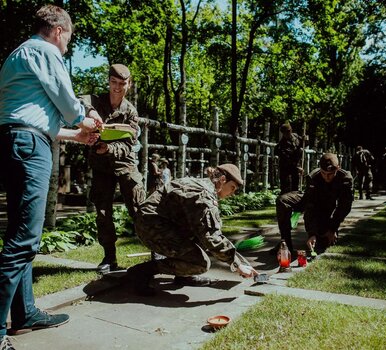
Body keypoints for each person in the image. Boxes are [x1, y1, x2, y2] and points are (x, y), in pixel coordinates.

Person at [0, 5, 102, 349]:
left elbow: (36, 118)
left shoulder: (18, 55)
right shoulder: (44, 50)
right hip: (30, 147)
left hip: (17, 140)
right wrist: (87, 118)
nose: (67, 47)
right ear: (59, 30)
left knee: (19, 233)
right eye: (69, 40)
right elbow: (67, 103)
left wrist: (77, 136)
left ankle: (25, 312)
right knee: (23, 241)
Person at [127, 164, 258, 296]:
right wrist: (237, 265)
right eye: (233, 188)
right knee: (200, 263)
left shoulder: (203, 186)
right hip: (151, 227)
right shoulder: (204, 195)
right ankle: (141, 271)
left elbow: (205, 229)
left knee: (202, 237)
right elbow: (211, 237)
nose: (232, 194)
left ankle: (184, 276)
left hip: (158, 223)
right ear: (223, 180)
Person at [79, 64, 146, 274]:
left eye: (122, 84)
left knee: (140, 208)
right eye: (114, 82)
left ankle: (157, 251)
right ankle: (109, 257)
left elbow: (129, 144)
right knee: (103, 213)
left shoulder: (131, 112)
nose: (117, 87)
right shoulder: (96, 101)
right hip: (101, 167)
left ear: (129, 84)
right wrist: (90, 111)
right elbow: (78, 99)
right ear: (108, 81)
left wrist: (108, 148)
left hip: (125, 164)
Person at [275, 153, 353, 253]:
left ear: (338, 168)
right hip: (310, 200)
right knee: (282, 200)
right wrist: (312, 233)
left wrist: (332, 228)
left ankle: (321, 233)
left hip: (327, 206)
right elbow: (310, 206)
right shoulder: (313, 177)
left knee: (323, 242)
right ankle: (285, 244)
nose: (327, 177)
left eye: (330, 174)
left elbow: (344, 207)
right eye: (324, 173)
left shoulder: (345, 179)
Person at [274, 123, 303, 194]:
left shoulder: (296, 136)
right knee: (285, 188)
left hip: (296, 165)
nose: (288, 133)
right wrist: (297, 168)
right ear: (283, 133)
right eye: (286, 132)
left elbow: (303, 143)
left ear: (291, 130)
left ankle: (295, 202)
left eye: (289, 131)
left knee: (295, 186)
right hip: (286, 168)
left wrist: (305, 139)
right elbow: (287, 160)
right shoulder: (282, 146)